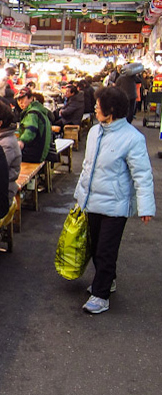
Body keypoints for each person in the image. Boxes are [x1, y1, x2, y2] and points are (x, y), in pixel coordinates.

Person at [74, 87, 155, 314]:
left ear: (111, 110)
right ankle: (107, 279)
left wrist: (145, 206)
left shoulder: (132, 138)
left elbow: (142, 175)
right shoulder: (94, 132)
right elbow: (87, 169)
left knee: (106, 250)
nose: (95, 107)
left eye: (99, 105)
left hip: (116, 205)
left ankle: (101, 295)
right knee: (96, 245)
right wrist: (80, 197)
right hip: (92, 201)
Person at [16, 88, 52, 163]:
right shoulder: (39, 110)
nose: (20, 102)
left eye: (22, 99)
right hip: (42, 152)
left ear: (31, 98)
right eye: (18, 100)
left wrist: (22, 141)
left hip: (35, 154)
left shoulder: (32, 113)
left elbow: (30, 130)